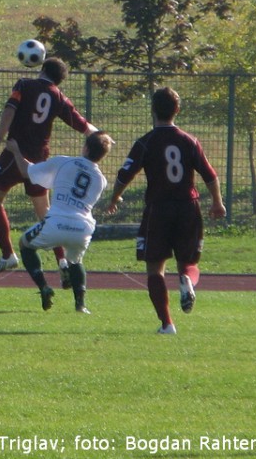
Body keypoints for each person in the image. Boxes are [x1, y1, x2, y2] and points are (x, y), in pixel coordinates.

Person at [106, 87, 225, 334]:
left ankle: (167, 324)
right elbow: (210, 175)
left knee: (154, 268)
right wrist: (217, 202)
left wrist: (115, 197)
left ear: (152, 109)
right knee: (188, 262)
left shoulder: (146, 142)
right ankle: (187, 282)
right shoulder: (189, 141)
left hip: (158, 209)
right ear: (177, 110)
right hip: (188, 208)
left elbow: (123, 175)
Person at [0, 57, 98, 284]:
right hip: (40, 161)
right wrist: (102, 137)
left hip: (14, 154)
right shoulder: (59, 97)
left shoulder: (24, 84)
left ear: (42, 68)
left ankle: (8, 255)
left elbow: (9, 111)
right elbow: (83, 125)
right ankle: (62, 262)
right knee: (45, 213)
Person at [6, 132, 113, 313]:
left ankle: (44, 287)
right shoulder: (101, 180)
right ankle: (80, 304)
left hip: (56, 222)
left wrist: (15, 151)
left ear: (85, 148)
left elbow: (26, 171)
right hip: (83, 228)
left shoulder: (64, 162)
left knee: (25, 244)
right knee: (75, 260)